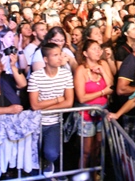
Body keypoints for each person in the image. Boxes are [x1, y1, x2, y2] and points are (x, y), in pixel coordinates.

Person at [28, 43, 74, 176]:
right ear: (46, 59)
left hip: (54, 122)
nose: (60, 58)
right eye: (55, 55)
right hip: (36, 122)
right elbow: (34, 105)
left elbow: (69, 102)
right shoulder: (36, 76)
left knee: (51, 153)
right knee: (33, 158)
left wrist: (45, 106)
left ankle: (48, 163)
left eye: (60, 54)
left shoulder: (66, 75)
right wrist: (57, 100)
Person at [74, 39, 113, 169]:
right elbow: (81, 97)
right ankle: (81, 176)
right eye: (94, 49)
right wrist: (102, 92)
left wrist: (102, 71)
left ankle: (94, 174)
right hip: (86, 115)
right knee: (86, 151)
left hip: (102, 112)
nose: (98, 51)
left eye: (99, 48)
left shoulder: (103, 64)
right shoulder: (81, 70)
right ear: (85, 53)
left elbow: (111, 87)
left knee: (98, 147)